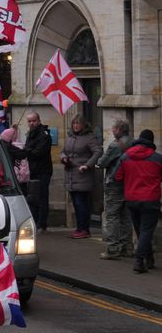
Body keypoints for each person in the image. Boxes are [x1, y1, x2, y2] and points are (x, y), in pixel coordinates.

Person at [114, 129, 162, 273]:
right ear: (151, 142)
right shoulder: (158, 158)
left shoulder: (125, 157)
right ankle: (139, 261)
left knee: (141, 231)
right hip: (150, 199)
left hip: (132, 199)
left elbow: (117, 177)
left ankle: (149, 258)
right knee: (146, 231)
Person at [61, 115, 103, 239]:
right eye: (74, 123)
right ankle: (79, 228)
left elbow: (98, 151)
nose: (76, 125)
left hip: (82, 175)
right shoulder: (70, 137)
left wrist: (87, 165)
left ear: (84, 125)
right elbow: (62, 151)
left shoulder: (89, 138)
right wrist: (63, 158)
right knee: (75, 203)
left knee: (81, 203)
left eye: (78, 123)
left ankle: (84, 228)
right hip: (70, 175)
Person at [97, 118, 134, 259]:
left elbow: (102, 162)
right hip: (128, 183)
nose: (112, 131)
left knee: (112, 216)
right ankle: (127, 247)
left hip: (114, 184)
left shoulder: (115, 145)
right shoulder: (132, 142)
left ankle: (112, 248)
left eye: (114, 128)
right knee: (126, 216)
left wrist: (100, 161)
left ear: (118, 130)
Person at [11, 112, 53, 231]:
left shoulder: (44, 135)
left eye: (33, 121)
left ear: (39, 120)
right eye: (29, 121)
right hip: (32, 171)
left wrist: (25, 149)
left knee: (42, 198)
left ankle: (42, 224)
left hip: (43, 171)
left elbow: (38, 152)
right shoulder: (31, 134)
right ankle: (35, 222)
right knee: (33, 198)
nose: (31, 123)